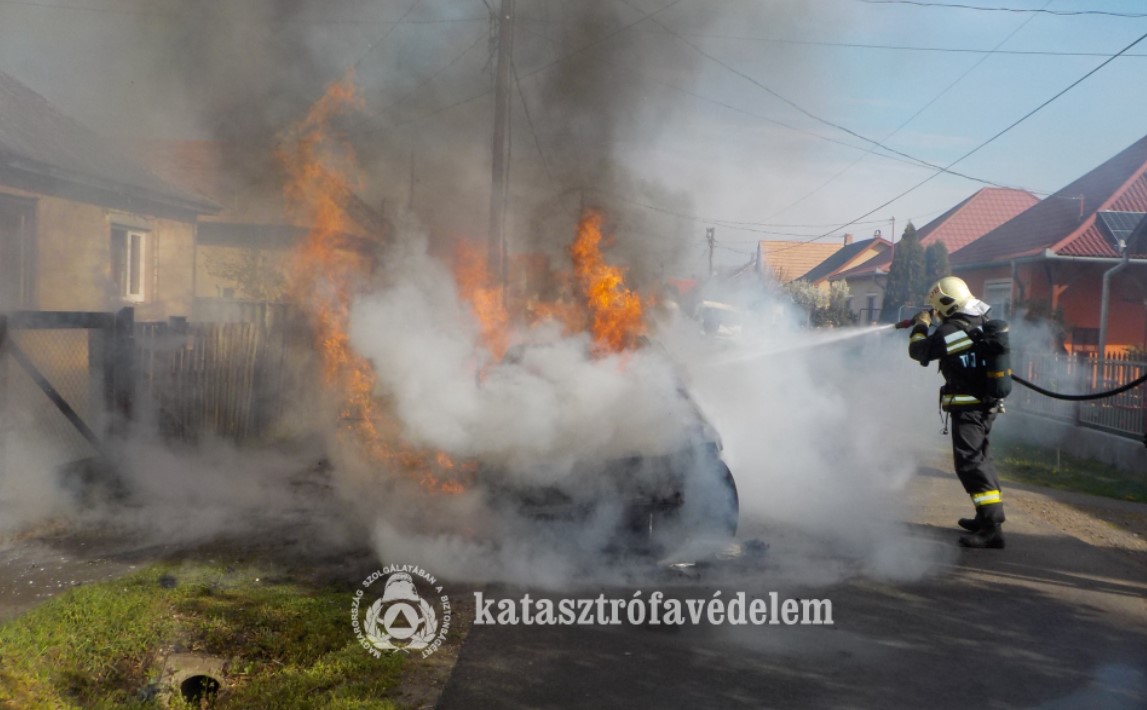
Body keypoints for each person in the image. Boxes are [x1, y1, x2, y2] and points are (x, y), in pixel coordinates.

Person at [907, 276, 1005, 549]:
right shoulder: (980, 321)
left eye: (937, 307)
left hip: (969, 407)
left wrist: (920, 325)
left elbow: (918, 351)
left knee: (970, 464)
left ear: (946, 303)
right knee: (981, 459)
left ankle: (991, 528)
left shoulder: (952, 330)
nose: (936, 313)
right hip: (985, 405)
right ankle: (985, 516)